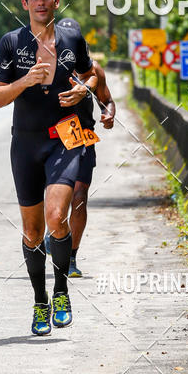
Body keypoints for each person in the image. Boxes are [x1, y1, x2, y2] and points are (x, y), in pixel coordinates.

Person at [0, 0, 98, 336]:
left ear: (55, 1)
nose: (40, 2)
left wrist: (84, 90)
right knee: (32, 232)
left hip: (65, 139)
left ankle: (62, 291)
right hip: (26, 143)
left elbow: (92, 74)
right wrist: (25, 81)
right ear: (25, 4)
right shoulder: (11, 43)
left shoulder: (71, 37)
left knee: (56, 218)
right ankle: (40, 301)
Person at [45, 18, 116, 277]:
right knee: (58, 199)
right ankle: (53, 233)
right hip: (52, 139)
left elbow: (107, 101)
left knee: (79, 197)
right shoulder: (47, 66)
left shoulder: (94, 70)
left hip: (82, 136)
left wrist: (108, 115)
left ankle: (71, 257)